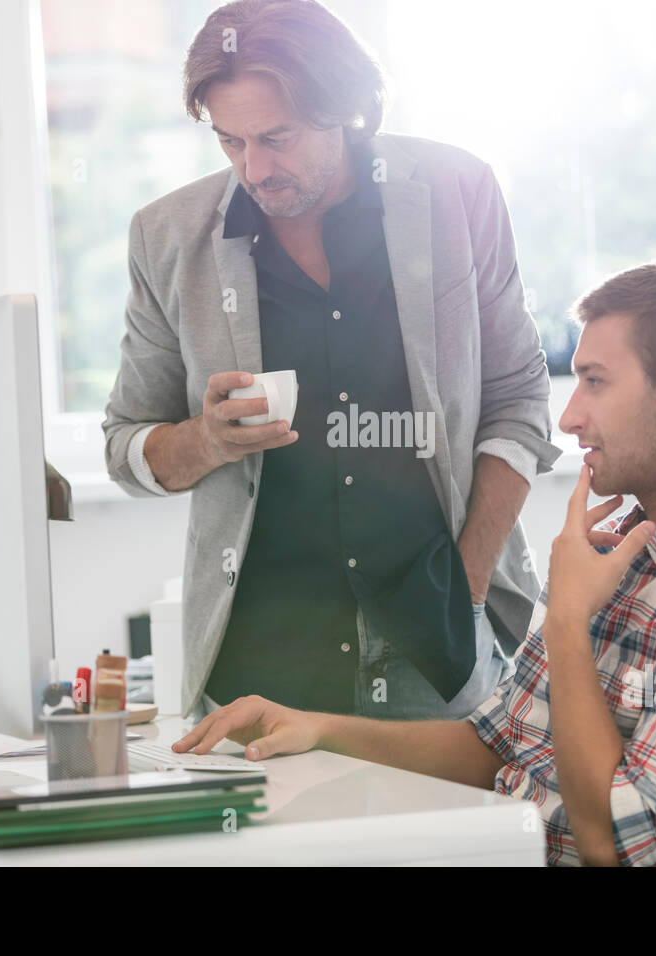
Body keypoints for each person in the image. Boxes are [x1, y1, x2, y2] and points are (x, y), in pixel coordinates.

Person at [172, 259, 656, 866]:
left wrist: (569, 621)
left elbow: (613, 841)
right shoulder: (610, 552)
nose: (569, 418)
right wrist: (318, 730)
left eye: (595, 383)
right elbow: (492, 747)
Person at [102, 0, 561, 723]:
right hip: (259, 663)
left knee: (450, 842)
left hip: (437, 654)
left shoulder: (457, 191)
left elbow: (519, 399)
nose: (254, 168)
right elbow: (126, 445)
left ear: (344, 108)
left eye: (276, 138)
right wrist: (206, 439)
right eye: (230, 142)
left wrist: (468, 588)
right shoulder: (168, 238)